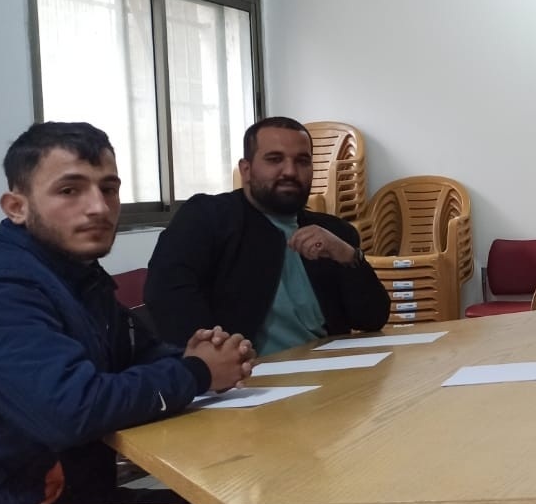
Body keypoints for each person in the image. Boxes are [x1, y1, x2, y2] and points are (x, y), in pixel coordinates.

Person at [0, 122, 252, 504]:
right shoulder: (6, 284)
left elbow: (137, 354)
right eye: (69, 190)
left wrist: (202, 354)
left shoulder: (77, 275)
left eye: (109, 189)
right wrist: (197, 372)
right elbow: (71, 410)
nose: (99, 207)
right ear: (17, 207)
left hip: (83, 498)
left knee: (257, 497)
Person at [145, 117, 390, 353]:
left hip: (331, 369)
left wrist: (349, 256)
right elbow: (167, 293)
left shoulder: (334, 233)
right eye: (274, 159)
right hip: (245, 374)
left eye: (302, 161)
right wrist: (210, 357)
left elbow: (372, 319)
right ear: (246, 169)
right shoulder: (207, 219)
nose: (290, 171)